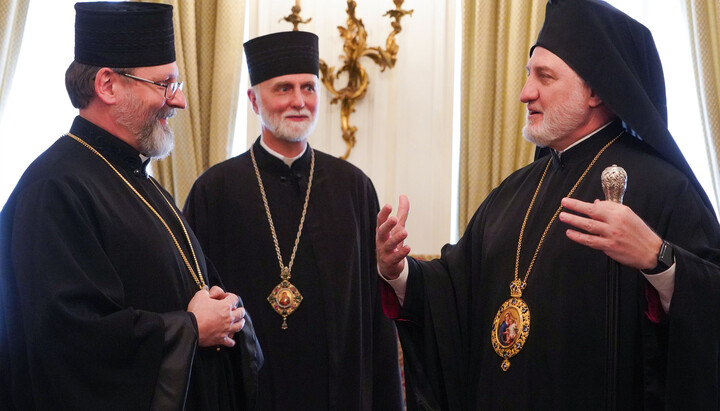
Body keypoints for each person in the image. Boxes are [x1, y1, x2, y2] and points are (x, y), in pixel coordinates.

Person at [376, 0, 720, 409]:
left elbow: (708, 311)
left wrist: (657, 258)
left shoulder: (664, 190)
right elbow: (453, 293)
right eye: (528, 76)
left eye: (544, 76)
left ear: (595, 90)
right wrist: (398, 272)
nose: (525, 93)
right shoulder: (512, 192)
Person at [0, 2, 262, 410]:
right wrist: (190, 328)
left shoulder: (137, 178)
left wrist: (223, 311)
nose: (179, 103)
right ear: (107, 85)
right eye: (165, 84)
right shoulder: (53, 189)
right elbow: (67, 345)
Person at [183, 31, 404, 410]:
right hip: (249, 392)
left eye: (308, 88)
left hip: (337, 392)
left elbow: (374, 320)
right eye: (283, 89)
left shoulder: (353, 187)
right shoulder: (213, 192)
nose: (299, 102)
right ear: (254, 100)